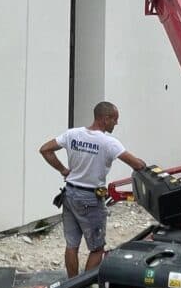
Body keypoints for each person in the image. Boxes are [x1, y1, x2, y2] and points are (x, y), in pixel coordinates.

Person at [39, 102, 146, 278]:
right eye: (115, 119)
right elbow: (138, 165)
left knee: (71, 245)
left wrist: (63, 170)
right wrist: (144, 165)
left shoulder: (72, 134)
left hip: (70, 194)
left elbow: (45, 150)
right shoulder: (109, 143)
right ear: (105, 119)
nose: (116, 123)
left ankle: (72, 286)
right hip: (90, 199)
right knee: (97, 249)